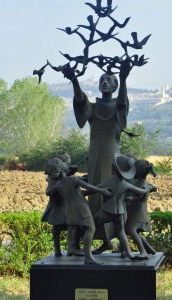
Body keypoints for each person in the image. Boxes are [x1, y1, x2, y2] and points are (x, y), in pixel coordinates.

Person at [62, 62, 131, 251]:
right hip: (94, 156)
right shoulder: (93, 107)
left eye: (110, 80)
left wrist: (124, 78)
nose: (105, 82)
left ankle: (112, 239)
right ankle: (96, 239)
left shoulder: (118, 106)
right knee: (95, 193)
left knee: (112, 194)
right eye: (102, 80)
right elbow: (80, 101)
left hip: (112, 159)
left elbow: (123, 104)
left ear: (116, 86)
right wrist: (74, 79)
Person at [45, 157, 111, 265]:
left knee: (73, 228)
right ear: (63, 170)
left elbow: (48, 192)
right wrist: (101, 190)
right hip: (81, 209)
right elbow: (89, 186)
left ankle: (73, 249)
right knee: (90, 228)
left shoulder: (58, 185)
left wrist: (51, 189)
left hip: (69, 211)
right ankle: (88, 257)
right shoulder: (73, 180)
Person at [93, 153, 147, 260]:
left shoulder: (109, 181)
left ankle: (86, 252)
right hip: (121, 212)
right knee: (121, 232)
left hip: (107, 211)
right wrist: (146, 189)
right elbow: (142, 191)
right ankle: (129, 253)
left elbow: (94, 189)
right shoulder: (125, 184)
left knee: (91, 224)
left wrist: (81, 190)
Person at [125, 159, 157, 260]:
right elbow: (151, 188)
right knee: (134, 231)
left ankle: (143, 252)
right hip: (136, 210)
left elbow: (142, 195)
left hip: (139, 211)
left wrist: (131, 198)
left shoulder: (142, 184)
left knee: (130, 229)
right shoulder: (141, 182)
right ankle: (149, 249)